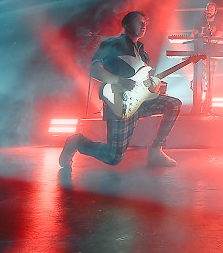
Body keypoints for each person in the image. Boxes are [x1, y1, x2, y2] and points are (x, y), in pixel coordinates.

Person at [59, 11, 182, 170]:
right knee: (113, 157)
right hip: (119, 103)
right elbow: (95, 71)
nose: (143, 25)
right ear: (126, 25)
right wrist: (119, 80)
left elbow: (149, 83)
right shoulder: (111, 44)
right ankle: (76, 142)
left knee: (173, 104)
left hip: (141, 102)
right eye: (139, 22)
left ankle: (156, 150)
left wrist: (154, 86)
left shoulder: (143, 53)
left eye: (145, 23)